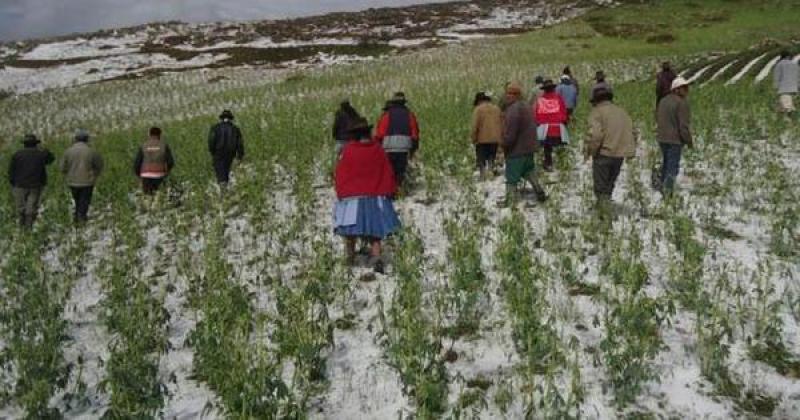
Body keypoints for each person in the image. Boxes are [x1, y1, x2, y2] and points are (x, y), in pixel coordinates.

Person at [334, 117, 401, 274]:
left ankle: (350, 256)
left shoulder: (348, 151)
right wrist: (390, 190)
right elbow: (387, 171)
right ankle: (376, 256)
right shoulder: (378, 149)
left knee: (349, 228)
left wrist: (341, 192)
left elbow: (341, 173)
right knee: (375, 229)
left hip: (352, 196)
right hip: (375, 194)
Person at [584, 88, 636, 206]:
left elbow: (595, 135)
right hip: (619, 155)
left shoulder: (597, 112)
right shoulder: (622, 112)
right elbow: (632, 132)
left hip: (604, 153)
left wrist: (590, 151)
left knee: (600, 187)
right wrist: (629, 151)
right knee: (609, 185)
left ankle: (604, 215)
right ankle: (605, 206)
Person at [501, 82, 547, 206]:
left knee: (511, 177)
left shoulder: (513, 110)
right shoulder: (526, 106)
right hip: (529, 147)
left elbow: (510, 133)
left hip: (517, 150)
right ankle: (539, 190)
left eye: (512, 94)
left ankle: (510, 201)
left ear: (517, 95)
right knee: (529, 170)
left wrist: (503, 144)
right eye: (508, 93)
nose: (509, 96)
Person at [656, 77, 693, 195]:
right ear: (676, 89)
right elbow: (683, 126)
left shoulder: (663, 101)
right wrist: (689, 141)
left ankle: (662, 187)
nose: (686, 91)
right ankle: (668, 192)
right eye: (684, 88)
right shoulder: (681, 103)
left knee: (666, 164)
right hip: (674, 140)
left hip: (662, 138)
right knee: (672, 167)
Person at [8, 134, 55, 228]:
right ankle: (29, 226)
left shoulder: (17, 154)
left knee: (21, 207)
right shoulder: (40, 154)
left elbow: (11, 170)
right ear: (35, 144)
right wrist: (46, 151)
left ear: (24, 144)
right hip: (36, 185)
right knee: (31, 207)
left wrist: (13, 182)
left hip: (20, 185)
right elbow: (51, 159)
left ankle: (21, 226)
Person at [374, 92, 420, 188]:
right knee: (401, 170)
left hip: (389, 147)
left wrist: (378, 145)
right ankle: (400, 188)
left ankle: (390, 189)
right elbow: (414, 132)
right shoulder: (409, 115)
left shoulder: (387, 115)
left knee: (390, 170)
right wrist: (414, 147)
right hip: (404, 147)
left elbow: (380, 133)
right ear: (404, 102)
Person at [62, 130, 104, 224]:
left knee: (76, 199)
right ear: (87, 139)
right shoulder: (92, 151)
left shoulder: (68, 151)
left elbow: (63, 167)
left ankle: (77, 216)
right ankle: (81, 217)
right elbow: (99, 165)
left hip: (72, 181)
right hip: (87, 181)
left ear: (75, 139)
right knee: (84, 200)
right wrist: (95, 175)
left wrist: (67, 174)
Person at [534, 79, 570, 172]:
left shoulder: (541, 100)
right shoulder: (558, 98)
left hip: (545, 129)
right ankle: (562, 164)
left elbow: (537, 115)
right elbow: (564, 113)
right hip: (558, 127)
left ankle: (549, 163)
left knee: (547, 148)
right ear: (553, 89)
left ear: (544, 89)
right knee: (560, 146)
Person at [133, 127, 175, 195]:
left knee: (148, 197)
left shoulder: (143, 146)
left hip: (146, 176)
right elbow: (170, 162)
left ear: (149, 134)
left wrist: (139, 175)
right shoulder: (164, 146)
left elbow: (137, 164)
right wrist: (166, 172)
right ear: (160, 135)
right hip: (160, 175)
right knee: (160, 197)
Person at [471, 92, 503, 177]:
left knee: (481, 159)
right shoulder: (497, 109)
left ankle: (483, 176)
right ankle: (491, 172)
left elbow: (475, 125)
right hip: (495, 139)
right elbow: (502, 123)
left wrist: (473, 138)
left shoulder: (478, 109)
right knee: (491, 157)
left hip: (482, 139)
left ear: (479, 101)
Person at [208, 109, 244, 186]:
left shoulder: (215, 128)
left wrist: (212, 152)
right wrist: (240, 156)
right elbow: (240, 144)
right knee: (226, 171)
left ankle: (223, 190)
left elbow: (211, 141)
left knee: (220, 173)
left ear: (221, 118)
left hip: (218, 152)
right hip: (230, 153)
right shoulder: (235, 129)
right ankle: (225, 188)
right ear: (231, 118)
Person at [773, 50, 799, 115]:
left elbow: (777, 76)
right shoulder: (795, 65)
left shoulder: (779, 65)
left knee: (786, 105)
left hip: (783, 88)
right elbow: (798, 76)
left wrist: (776, 86)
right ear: (788, 56)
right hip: (793, 87)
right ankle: (783, 114)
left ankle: (789, 115)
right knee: (785, 102)